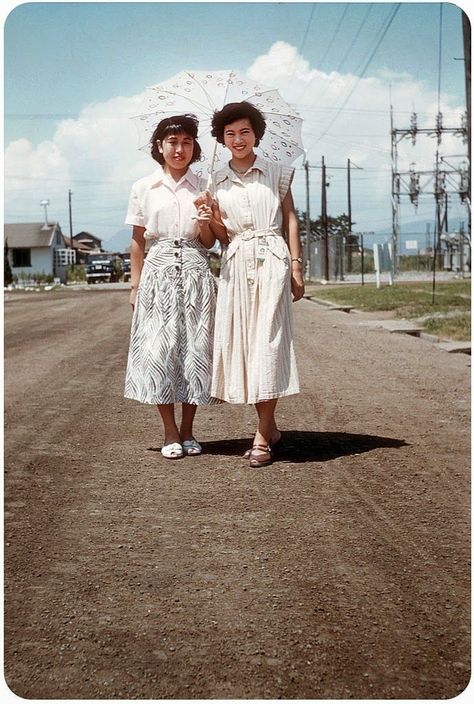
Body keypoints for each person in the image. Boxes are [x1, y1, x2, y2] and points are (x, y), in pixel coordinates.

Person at [201, 101, 305, 468]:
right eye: (230, 133)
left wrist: (295, 265)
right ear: (222, 139)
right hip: (235, 263)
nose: (238, 139)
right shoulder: (213, 181)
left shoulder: (277, 171)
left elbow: (290, 218)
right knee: (245, 347)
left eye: (244, 131)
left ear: (256, 133)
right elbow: (217, 238)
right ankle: (271, 426)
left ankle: (262, 437)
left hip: (272, 260)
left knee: (269, 343)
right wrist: (207, 217)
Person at [124, 114, 220, 459]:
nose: (179, 149)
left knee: (195, 349)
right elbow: (137, 241)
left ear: (195, 147)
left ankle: (191, 431)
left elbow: (209, 243)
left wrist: (207, 218)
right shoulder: (143, 187)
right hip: (158, 270)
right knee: (161, 349)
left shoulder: (204, 187)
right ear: (159, 146)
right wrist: (135, 286)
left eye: (187, 142)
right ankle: (170, 432)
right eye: (172, 142)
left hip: (195, 267)